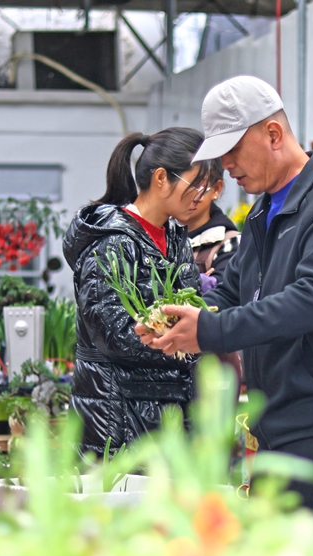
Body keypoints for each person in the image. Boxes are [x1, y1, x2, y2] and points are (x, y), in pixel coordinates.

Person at [137, 76, 313, 508]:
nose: (226, 167)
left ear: (273, 133)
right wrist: (180, 317)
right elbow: (233, 290)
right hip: (276, 428)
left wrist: (211, 330)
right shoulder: (263, 212)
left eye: (233, 150)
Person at [63, 127, 208, 457]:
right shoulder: (111, 242)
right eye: (196, 183)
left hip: (168, 413)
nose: (203, 194)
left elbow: (194, 308)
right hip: (117, 418)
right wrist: (184, 338)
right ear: (161, 178)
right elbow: (113, 335)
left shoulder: (176, 239)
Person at [181, 160, 240, 292]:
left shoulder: (230, 243)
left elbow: (223, 294)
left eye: (196, 185)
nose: (186, 193)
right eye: (180, 183)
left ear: (216, 189)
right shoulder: (159, 237)